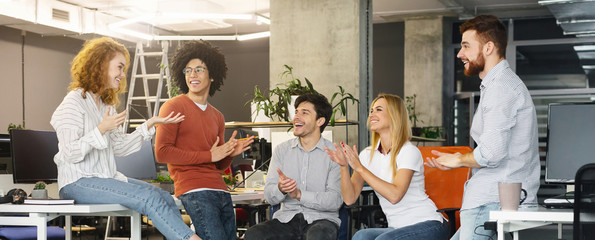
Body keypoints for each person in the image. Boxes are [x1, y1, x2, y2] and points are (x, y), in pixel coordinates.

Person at [51, 37, 201, 240]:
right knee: (149, 198)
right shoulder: (73, 103)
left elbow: (120, 148)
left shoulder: (105, 106)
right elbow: (69, 153)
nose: (123, 75)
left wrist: (150, 124)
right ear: (101, 65)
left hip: (105, 178)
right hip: (77, 183)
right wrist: (101, 129)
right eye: (119, 68)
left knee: (163, 196)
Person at [425, 15, 541, 240]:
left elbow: (492, 152)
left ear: (488, 47)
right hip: (488, 198)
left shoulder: (501, 88)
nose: (460, 54)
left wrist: (458, 159)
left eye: (466, 46)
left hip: (492, 199)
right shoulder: (496, 86)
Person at [155, 40, 253, 240]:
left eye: (199, 69)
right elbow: (162, 152)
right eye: (188, 70)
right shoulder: (173, 107)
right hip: (194, 190)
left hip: (221, 191)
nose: (192, 74)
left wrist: (228, 154)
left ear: (212, 75)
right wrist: (210, 154)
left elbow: (216, 165)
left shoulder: (217, 116)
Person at [325, 94, 447, 240]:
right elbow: (350, 199)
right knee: (361, 236)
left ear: (394, 115)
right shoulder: (367, 155)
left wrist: (361, 169)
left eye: (378, 109)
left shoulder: (408, 151)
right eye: (371, 110)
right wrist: (344, 167)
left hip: (428, 223)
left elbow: (395, 196)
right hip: (396, 227)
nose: (372, 114)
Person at [244, 93, 343, 240]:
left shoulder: (334, 154)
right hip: (286, 219)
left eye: (305, 112)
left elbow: (334, 200)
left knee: (318, 235)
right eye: (296, 111)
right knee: (254, 234)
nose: (296, 116)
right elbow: (269, 196)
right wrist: (280, 188)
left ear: (320, 121)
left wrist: (300, 195)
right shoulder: (282, 151)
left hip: (322, 220)